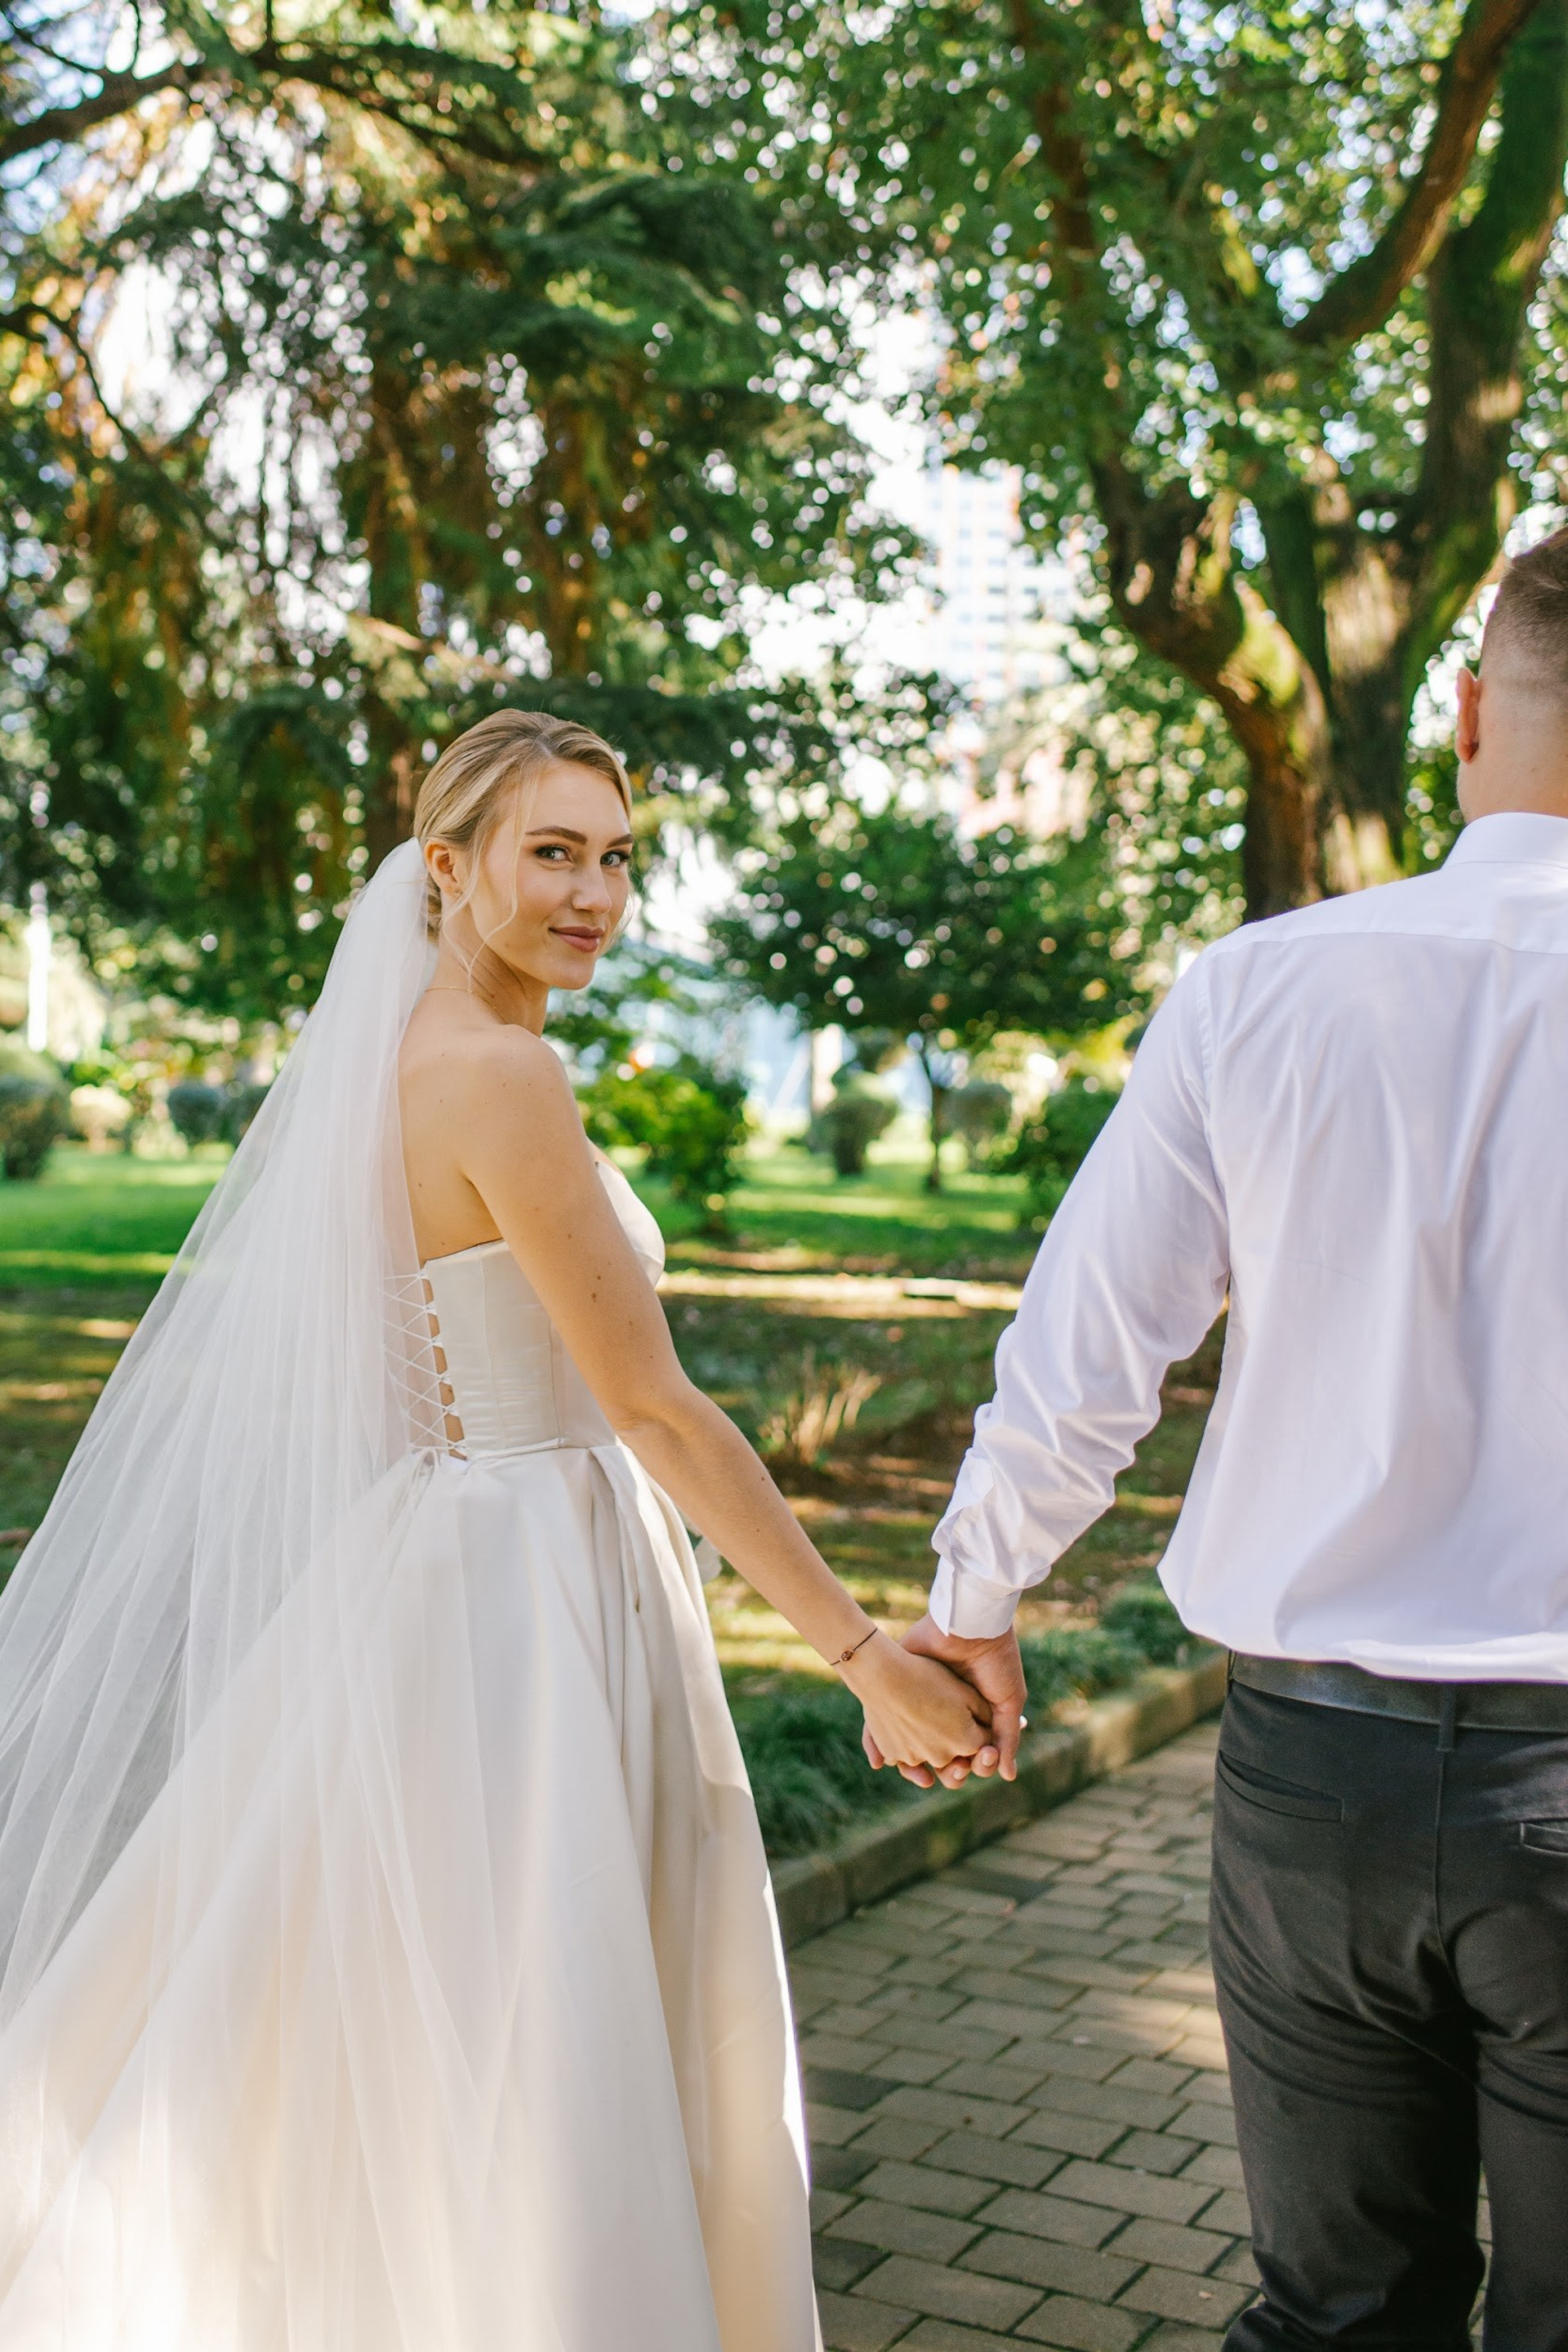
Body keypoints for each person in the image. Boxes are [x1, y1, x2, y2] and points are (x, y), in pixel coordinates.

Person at [0, 707, 1004, 2350]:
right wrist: (861, 1655)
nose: (594, 893)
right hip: (529, 1583)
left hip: (446, 1557)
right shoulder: (502, 1073)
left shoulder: (409, 1059)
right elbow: (658, 1408)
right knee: (540, 2025)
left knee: (412, 2025)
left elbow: (408, 1376)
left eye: (616, 858)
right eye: (552, 853)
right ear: (447, 867)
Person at [910, 524, 1568, 2348]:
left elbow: (1088, 1346)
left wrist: (977, 1593)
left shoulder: (1258, 987)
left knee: (1341, 2311)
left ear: (1462, 712)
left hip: (1315, 1784)